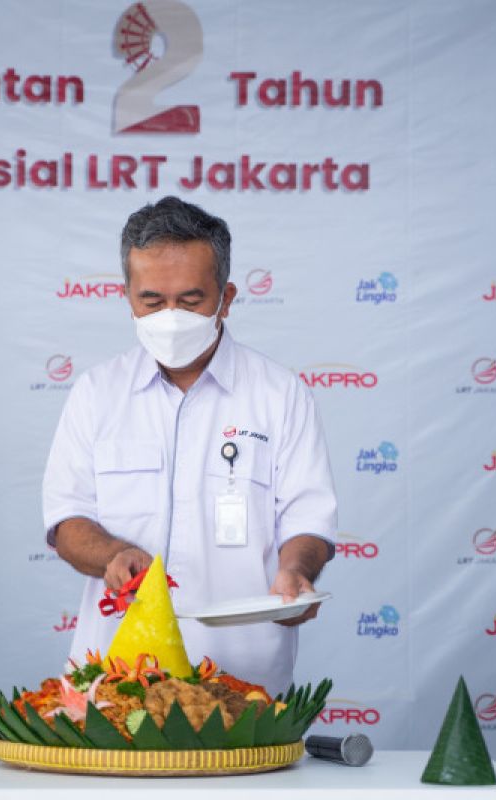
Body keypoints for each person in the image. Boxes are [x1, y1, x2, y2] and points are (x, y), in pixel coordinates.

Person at [42, 196, 338, 694]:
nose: (171, 316)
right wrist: (114, 554)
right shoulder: (97, 393)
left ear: (226, 297)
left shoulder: (279, 394)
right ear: (128, 297)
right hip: (116, 679)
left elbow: (309, 519)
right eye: (152, 301)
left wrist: (295, 571)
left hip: (244, 684)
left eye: (192, 300)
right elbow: (67, 521)